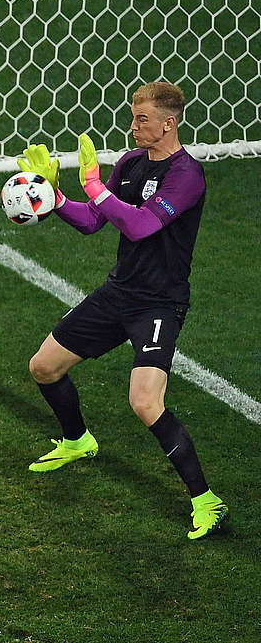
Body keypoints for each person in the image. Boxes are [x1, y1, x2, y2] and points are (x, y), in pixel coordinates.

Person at [17, 81, 228, 540]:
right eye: (133, 117)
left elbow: (140, 226)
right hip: (119, 294)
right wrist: (54, 200)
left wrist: (94, 187)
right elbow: (95, 221)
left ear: (168, 124)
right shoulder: (131, 164)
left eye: (142, 119)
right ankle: (78, 441)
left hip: (158, 303)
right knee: (44, 367)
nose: (133, 126)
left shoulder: (186, 176)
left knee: (145, 401)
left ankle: (206, 501)